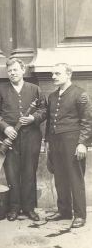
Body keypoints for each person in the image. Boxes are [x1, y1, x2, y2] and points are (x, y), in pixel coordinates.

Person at [0, 58, 46, 221]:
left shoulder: (35, 89)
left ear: (23, 70)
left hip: (31, 137)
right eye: (10, 71)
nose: (12, 73)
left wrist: (33, 118)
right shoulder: (0, 90)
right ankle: (14, 208)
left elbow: (44, 110)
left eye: (15, 70)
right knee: (12, 172)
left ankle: (29, 208)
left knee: (29, 171)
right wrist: (5, 127)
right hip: (9, 137)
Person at [45, 63, 92, 228]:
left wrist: (83, 144)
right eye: (52, 74)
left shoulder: (80, 94)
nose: (54, 77)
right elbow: (50, 122)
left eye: (57, 73)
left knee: (75, 178)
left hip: (73, 142)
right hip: (56, 142)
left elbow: (88, 122)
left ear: (69, 74)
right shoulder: (52, 96)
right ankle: (64, 210)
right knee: (60, 178)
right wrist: (48, 142)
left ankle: (80, 215)